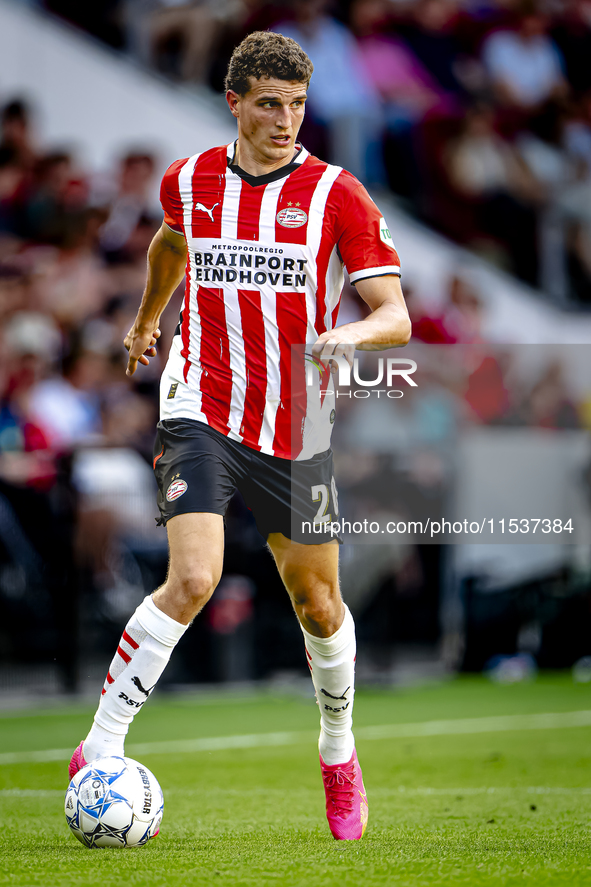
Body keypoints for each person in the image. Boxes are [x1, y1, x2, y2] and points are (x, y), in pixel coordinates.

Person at [68, 30, 411, 842]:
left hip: (297, 423)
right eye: (269, 103)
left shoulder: (338, 195)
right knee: (193, 577)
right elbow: (169, 244)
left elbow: (393, 314)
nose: (285, 119)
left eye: (296, 104)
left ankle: (337, 751)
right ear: (235, 103)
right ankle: (98, 744)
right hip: (199, 407)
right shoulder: (187, 181)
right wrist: (149, 319)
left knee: (319, 605)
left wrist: (351, 339)